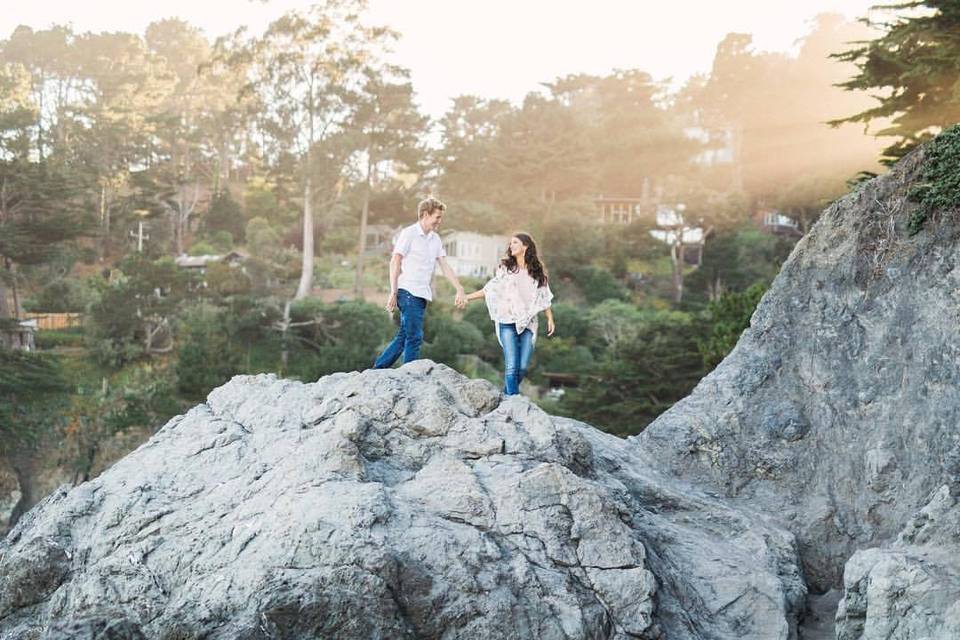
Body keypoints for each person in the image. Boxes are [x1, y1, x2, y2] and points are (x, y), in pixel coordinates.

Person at [373, 197, 466, 368]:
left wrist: (459, 288)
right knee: (415, 337)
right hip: (408, 291)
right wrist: (393, 292)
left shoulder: (435, 239)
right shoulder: (409, 234)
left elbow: (444, 266)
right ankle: (411, 376)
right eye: (437, 217)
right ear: (425, 214)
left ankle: (377, 369)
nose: (440, 221)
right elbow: (395, 261)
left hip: (422, 294)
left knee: (404, 336)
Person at [460, 233, 555, 395]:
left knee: (522, 367)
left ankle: (506, 397)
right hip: (507, 322)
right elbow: (489, 289)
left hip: (529, 323)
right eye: (510, 243)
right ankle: (513, 401)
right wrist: (467, 297)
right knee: (511, 366)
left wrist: (550, 318)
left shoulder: (537, 272)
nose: (511, 246)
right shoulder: (506, 269)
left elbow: (544, 297)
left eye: (515, 243)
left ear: (525, 246)